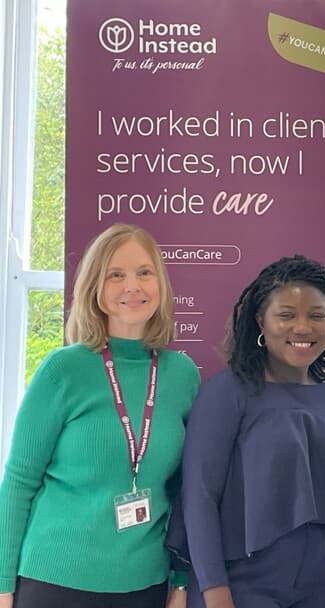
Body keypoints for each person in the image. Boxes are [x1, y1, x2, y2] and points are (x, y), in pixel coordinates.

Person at [0, 223, 200, 608]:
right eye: (116, 275)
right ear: (95, 287)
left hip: (144, 584)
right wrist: (2, 587)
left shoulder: (182, 375)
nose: (132, 286)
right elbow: (20, 480)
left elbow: (184, 489)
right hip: (54, 581)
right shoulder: (63, 370)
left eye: (144, 272)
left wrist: (179, 581)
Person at [170, 255, 325, 608]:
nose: (302, 327)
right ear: (260, 320)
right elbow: (199, 498)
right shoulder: (227, 392)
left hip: (316, 587)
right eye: (286, 315)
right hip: (239, 586)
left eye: (317, 316)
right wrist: (216, 594)